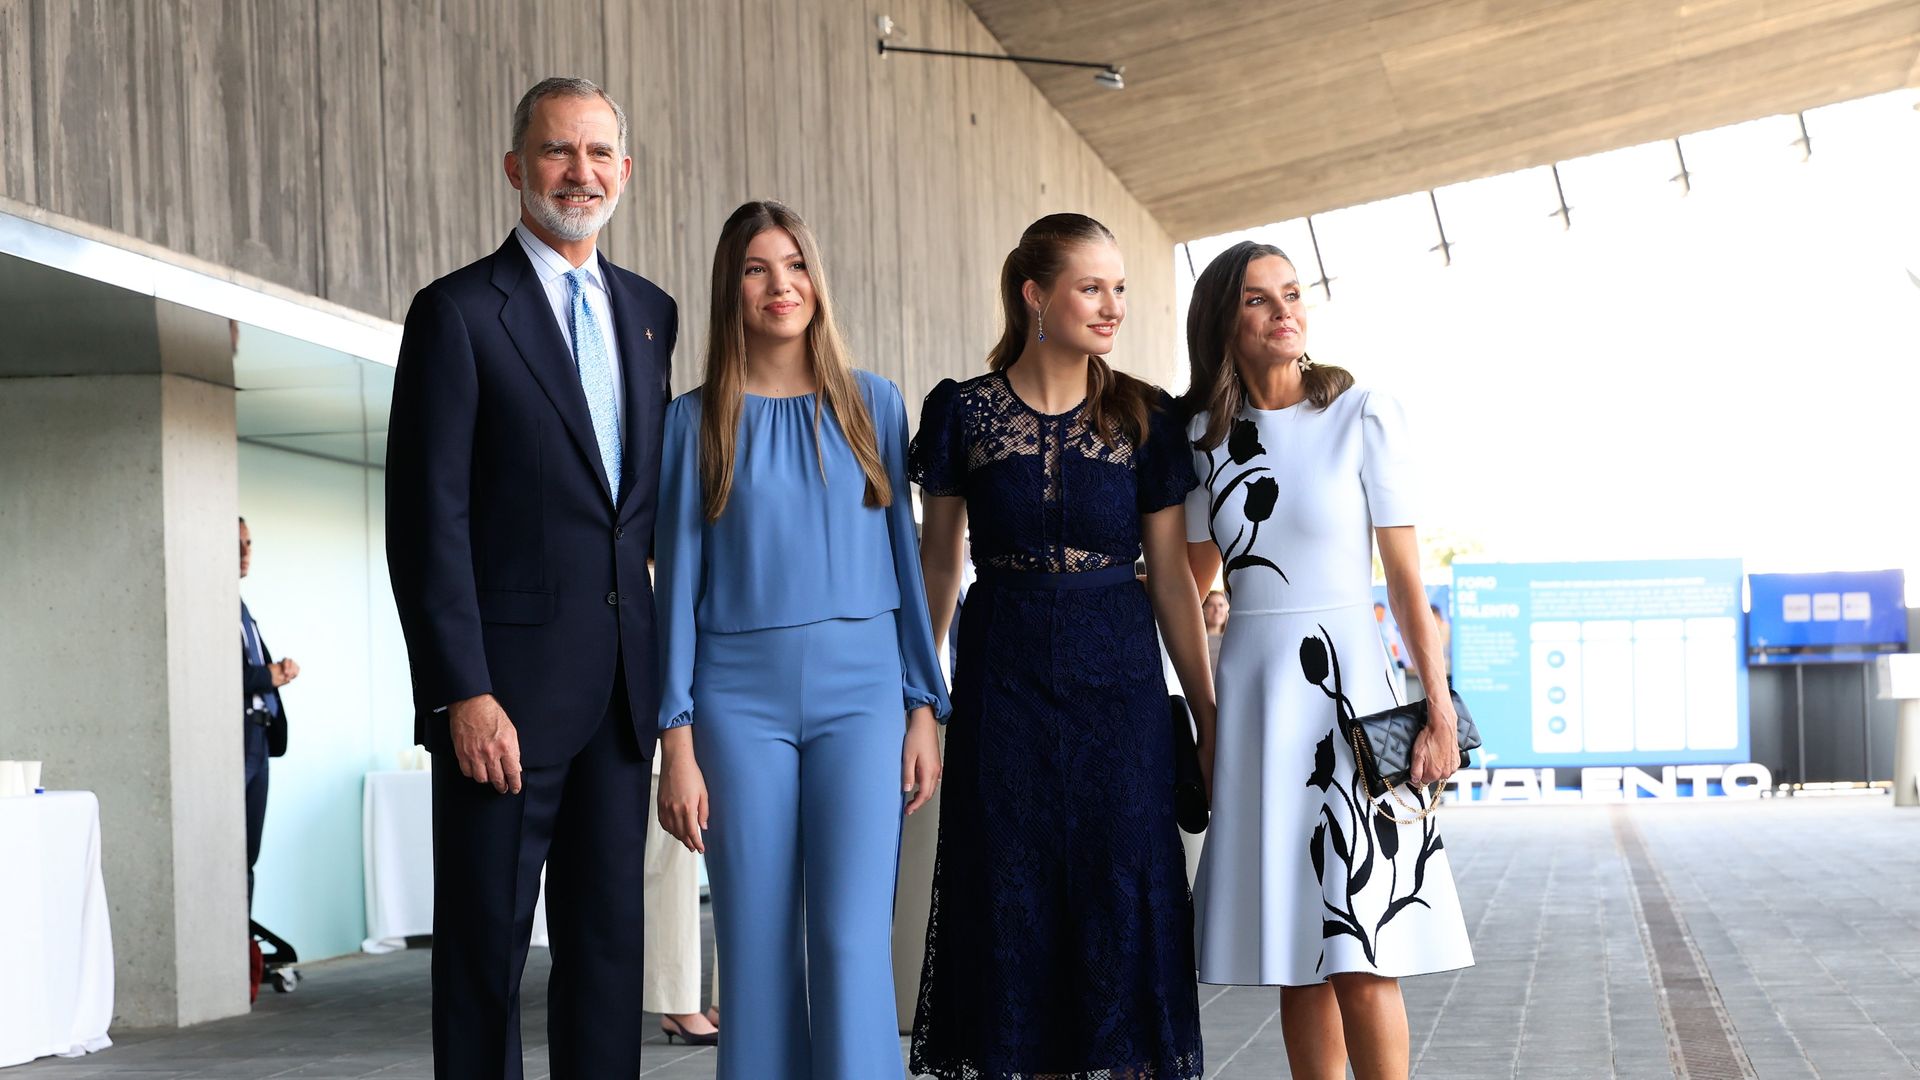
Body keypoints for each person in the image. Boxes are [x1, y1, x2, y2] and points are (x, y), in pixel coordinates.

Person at [384, 76, 676, 1080]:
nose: (579, 172)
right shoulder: (457, 313)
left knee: (606, 957)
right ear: (516, 169)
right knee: (483, 958)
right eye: (558, 151)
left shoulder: (651, 315)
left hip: (618, 699)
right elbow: (429, 523)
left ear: (625, 173)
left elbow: (629, 514)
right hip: (500, 700)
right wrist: (463, 689)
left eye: (599, 154)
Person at [909, 213, 1211, 1080]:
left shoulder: (1145, 417)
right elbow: (939, 569)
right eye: (1092, 286)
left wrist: (1207, 713)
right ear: (1036, 294)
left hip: (1118, 690)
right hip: (1001, 687)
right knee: (1009, 902)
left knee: (1121, 902)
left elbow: (1169, 582)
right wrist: (921, 700)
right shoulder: (961, 411)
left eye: (1120, 287)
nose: (1112, 305)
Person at [653, 200, 949, 1080]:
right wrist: (677, 739)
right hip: (736, 702)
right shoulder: (692, 422)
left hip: (862, 700)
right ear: (729, 288)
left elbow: (908, 568)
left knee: (854, 940)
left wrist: (922, 705)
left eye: (794, 265)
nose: (780, 285)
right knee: (755, 938)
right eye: (755, 268)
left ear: (816, 279)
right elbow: (675, 590)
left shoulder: (875, 406)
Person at [1181, 241, 1473, 1080]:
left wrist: (1439, 708)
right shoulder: (1206, 440)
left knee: (1363, 943)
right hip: (1256, 701)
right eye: (1257, 300)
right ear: (1224, 323)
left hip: (1350, 694)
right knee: (1296, 950)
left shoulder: (1361, 414)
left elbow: (1410, 587)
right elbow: (1191, 582)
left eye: (1293, 294)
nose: (1284, 312)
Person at [238, 516, 297, 910]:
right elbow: (214, 673)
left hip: (260, 735)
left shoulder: (241, 607)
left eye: (249, 543)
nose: (244, 553)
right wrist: (269, 675)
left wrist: (277, 672)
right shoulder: (208, 604)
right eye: (235, 543)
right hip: (233, 738)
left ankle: (243, 955)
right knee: (227, 850)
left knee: (248, 854)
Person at [1203, 588, 1230, 673]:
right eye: (1211, 605)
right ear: (1203, 609)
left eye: (1221, 605)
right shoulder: (1195, 642)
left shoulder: (1232, 641)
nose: (1217, 610)